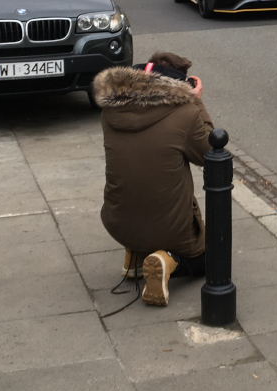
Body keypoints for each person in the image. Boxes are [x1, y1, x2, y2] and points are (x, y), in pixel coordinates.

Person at [91, 53, 213, 306]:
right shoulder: (186, 114)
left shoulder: (109, 113)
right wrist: (196, 102)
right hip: (171, 228)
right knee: (210, 257)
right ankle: (167, 260)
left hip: (118, 222)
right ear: (179, 84)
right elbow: (211, 154)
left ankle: (135, 254)